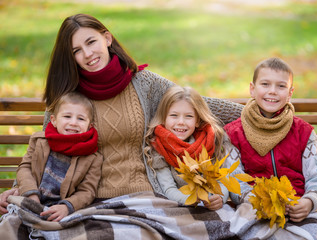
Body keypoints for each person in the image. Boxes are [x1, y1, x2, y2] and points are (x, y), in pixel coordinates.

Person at [0, 13, 243, 214]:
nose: (87, 54)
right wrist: (18, 188)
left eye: (91, 42)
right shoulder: (68, 98)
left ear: (107, 38)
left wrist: (261, 111)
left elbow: (200, 105)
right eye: (76, 50)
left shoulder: (144, 83)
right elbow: (44, 148)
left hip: (148, 195)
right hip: (86, 199)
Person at [224, 57, 317, 222]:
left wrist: (309, 202)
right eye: (265, 84)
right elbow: (234, 179)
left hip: (297, 210)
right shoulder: (233, 134)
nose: (272, 91)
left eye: (281, 86)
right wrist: (257, 202)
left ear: (290, 93)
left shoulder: (304, 132)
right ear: (252, 89)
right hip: (254, 212)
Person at [144, 86, 241, 210]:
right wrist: (193, 199)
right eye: (174, 115)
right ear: (164, 118)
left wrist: (220, 196)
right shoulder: (158, 148)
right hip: (181, 206)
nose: (181, 122)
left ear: (197, 120)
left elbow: (221, 180)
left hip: (209, 206)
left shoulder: (210, 142)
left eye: (188, 116)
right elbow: (168, 189)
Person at [16, 91, 103, 222]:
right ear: (54, 120)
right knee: (10, 225)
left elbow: (87, 191)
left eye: (81, 119)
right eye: (67, 116)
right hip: (31, 199)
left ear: (89, 126)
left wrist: (67, 207)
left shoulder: (92, 157)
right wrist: (30, 193)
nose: (73, 123)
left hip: (61, 211)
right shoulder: (39, 141)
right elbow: (25, 168)